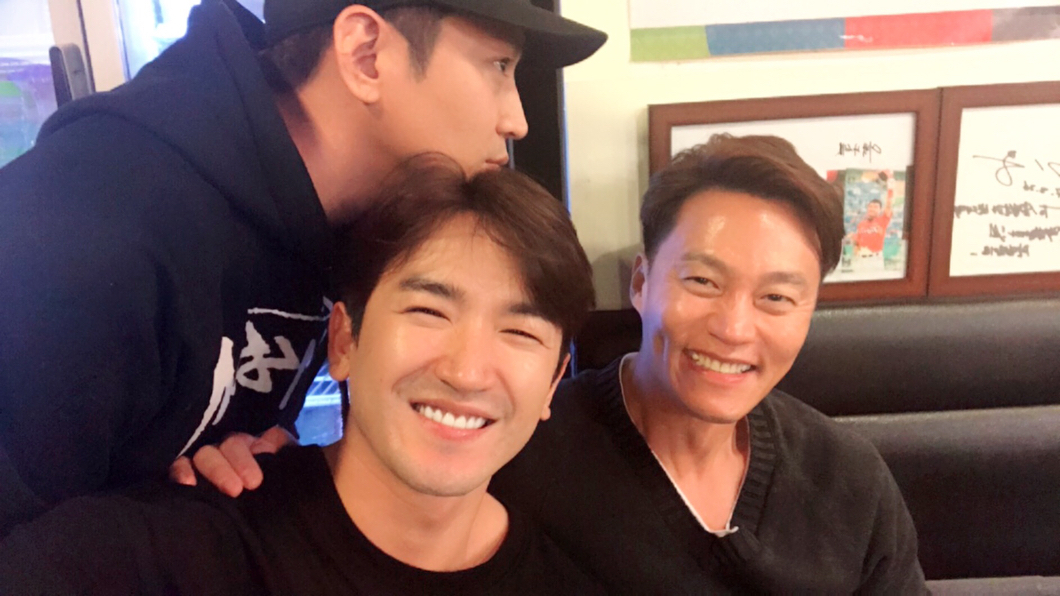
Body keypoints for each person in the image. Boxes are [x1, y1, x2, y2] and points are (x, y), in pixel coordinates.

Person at [0, 0, 605, 534]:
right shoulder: (85, 227)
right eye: (498, 66)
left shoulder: (340, 228)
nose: (517, 120)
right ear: (365, 54)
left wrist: (227, 476)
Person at [0, 157, 600, 595]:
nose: (466, 372)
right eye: (428, 311)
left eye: (520, 332)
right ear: (343, 341)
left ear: (553, 383)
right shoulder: (187, 553)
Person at [490, 135, 928, 593]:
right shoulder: (521, 455)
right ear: (640, 283)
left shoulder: (847, 478)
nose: (734, 329)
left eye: (776, 297)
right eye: (702, 281)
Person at [845, 170, 896, 270]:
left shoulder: (882, 220)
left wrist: (890, 182)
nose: (872, 209)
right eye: (870, 206)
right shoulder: (861, 224)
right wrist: (853, 240)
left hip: (874, 260)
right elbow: (857, 242)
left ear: (880, 210)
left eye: (875, 207)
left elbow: (889, 203)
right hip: (860, 260)